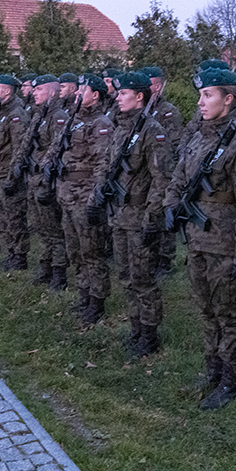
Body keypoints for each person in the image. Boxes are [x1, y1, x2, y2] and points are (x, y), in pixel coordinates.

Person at [164, 67, 236, 410]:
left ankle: (232, 378)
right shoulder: (199, 137)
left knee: (228, 313)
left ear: (228, 99)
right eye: (200, 95)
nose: (200, 102)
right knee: (206, 310)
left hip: (225, 245)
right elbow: (178, 178)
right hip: (197, 240)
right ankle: (213, 367)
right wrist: (169, 206)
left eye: (207, 95)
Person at [92, 71, 174, 356]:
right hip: (119, 215)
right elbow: (108, 164)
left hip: (140, 216)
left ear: (140, 96)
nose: (117, 97)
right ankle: (136, 327)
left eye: (123, 93)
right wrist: (98, 196)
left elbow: (162, 179)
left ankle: (150, 336)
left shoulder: (152, 130)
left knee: (143, 278)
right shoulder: (121, 126)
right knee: (126, 276)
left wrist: (152, 218)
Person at [48, 74, 114, 324]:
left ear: (95, 95)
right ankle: (84, 293)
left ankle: (97, 301)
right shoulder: (73, 120)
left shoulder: (101, 123)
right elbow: (57, 148)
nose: (77, 95)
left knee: (91, 251)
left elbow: (102, 164)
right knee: (75, 250)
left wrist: (96, 197)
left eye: (82, 91)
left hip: (85, 194)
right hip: (67, 192)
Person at [11, 74, 69, 289]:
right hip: (33, 178)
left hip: (47, 181)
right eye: (34, 90)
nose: (34, 93)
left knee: (53, 230)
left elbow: (58, 150)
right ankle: (45, 267)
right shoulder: (38, 115)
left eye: (39, 90)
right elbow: (25, 145)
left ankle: (59, 273)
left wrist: (47, 182)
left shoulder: (59, 117)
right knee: (40, 227)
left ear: (52, 92)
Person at [140, 66, 183, 277]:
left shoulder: (167, 110)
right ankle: (151, 253)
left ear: (157, 86)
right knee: (149, 213)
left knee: (163, 214)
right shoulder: (144, 110)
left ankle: (165, 260)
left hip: (163, 167)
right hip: (146, 169)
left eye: (149, 85)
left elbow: (175, 142)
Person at [0, 74, 31, 271]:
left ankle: (20, 257)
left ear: (6, 91)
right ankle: (11, 252)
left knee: (14, 218)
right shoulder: (0, 110)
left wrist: (12, 178)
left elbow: (19, 149)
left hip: (8, 175)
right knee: (2, 217)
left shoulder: (16, 114)